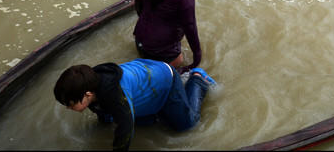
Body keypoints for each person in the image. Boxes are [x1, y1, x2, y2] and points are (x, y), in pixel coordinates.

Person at [54, 58, 215, 151]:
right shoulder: (90, 84)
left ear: (87, 95)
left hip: (166, 81)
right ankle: (159, 112)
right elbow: (104, 115)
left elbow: (125, 130)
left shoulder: (114, 95)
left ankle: (197, 79)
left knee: (187, 125)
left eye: (70, 104)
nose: (69, 108)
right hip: (146, 79)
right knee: (142, 123)